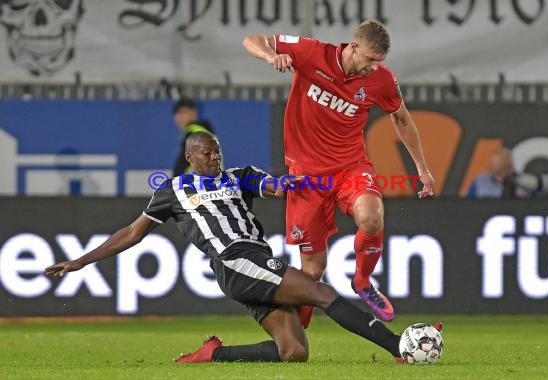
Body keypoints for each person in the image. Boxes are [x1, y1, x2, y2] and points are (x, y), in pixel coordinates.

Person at [44, 132, 405, 364]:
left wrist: (282, 184)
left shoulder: (239, 174)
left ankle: (216, 354)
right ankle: (398, 348)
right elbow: (132, 233)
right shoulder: (173, 191)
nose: (215, 157)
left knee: (293, 352)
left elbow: (273, 185)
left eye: (217, 151)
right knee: (323, 293)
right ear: (191, 157)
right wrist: (80, 262)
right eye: (207, 153)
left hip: (256, 260)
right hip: (235, 260)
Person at [242, 20, 435, 327]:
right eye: (371, 59)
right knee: (312, 272)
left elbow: (401, 119)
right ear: (353, 47)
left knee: (372, 218)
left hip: (350, 168)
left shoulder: (382, 81)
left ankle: (362, 280)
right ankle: (296, 340)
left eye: (380, 62)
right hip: (306, 176)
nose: (374, 68)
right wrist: (269, 55)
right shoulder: (311, 53)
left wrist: (422, 168)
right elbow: (253, 39)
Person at [171, 97, 217, 175]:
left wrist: (172, 184)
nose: (179, 117)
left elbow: (182, 164)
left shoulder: (194, 134)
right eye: (177, 114)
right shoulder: (206, 132)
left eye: (183, 112)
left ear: (194, 113)